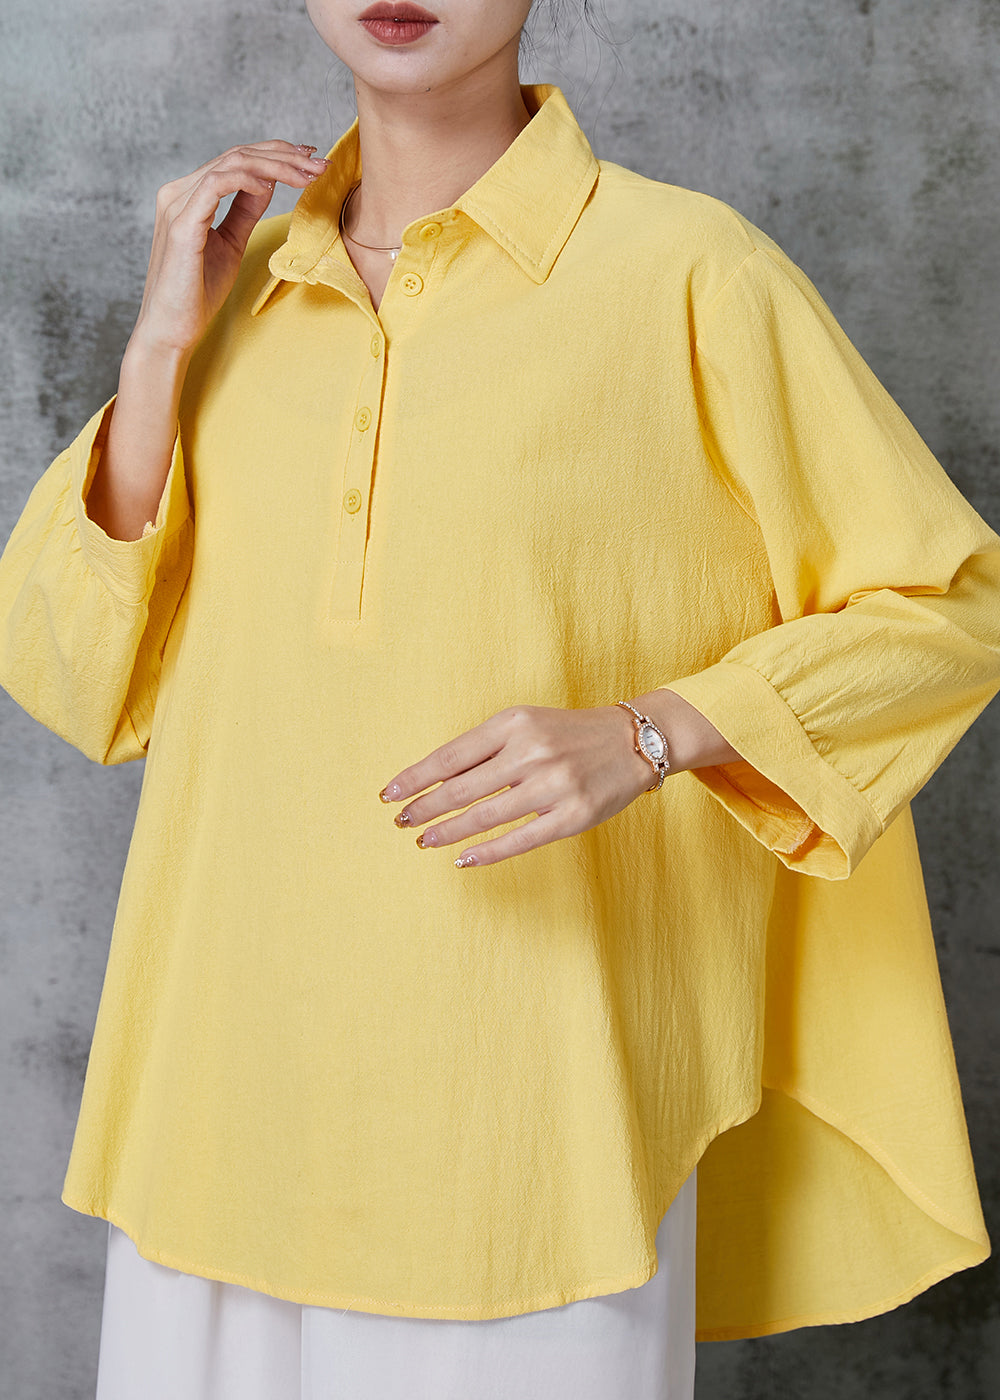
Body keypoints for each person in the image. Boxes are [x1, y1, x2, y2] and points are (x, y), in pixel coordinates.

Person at [1, 2, 998, 1397]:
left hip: (533, 1127)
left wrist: (655, 732)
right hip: (218, 1102)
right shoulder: (237, 288)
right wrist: (158, 352)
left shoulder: (690, 271)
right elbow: (72, 674)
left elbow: (951, 603)